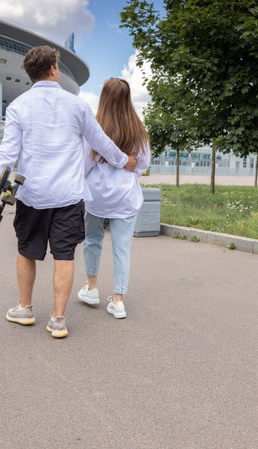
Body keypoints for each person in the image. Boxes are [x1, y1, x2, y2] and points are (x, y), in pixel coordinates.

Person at [0, 47, 137, 338]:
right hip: (68, 197)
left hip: (32, 195)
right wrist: (123, 162)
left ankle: (25, 308)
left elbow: (7, 154)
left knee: (26, 251)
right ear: (54, 69)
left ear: (30, 74)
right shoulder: (76, 106)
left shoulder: (18, 106)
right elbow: (101, 143)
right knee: (64, 255)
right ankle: (58, 319)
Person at [78, 78, 150, 318]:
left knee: (92, 241)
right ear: (128, 98)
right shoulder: (138, 130)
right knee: (122, 249)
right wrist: (125, 166)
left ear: (103, 98)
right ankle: (118, 300)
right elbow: (142, 166)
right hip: (125, 198)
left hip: (97, 196)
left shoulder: (94, 128)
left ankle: (92, 288)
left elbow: (85, 164)